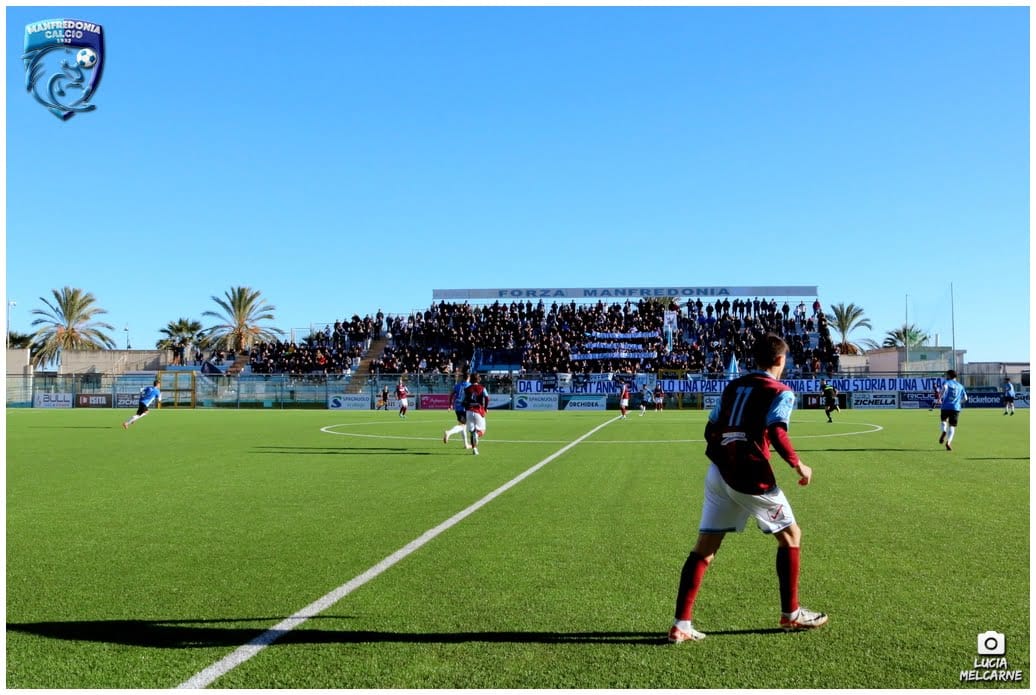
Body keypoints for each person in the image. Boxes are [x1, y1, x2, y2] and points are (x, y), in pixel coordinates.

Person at [669, 333, 827, 643]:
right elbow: (777, 430)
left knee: (705, 548)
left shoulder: (731, 386)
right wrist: (799, 465)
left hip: (719, 472)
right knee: (791, 535)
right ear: (781, 360)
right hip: (750, 475)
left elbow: (710, 428)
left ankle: (681, 624)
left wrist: (725, 453)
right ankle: (791, 615)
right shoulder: (781, 391)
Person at [938, 369, 968, 451]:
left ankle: (944, 431)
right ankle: (948, 442)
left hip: (945, 406)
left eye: (947, 375)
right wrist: (958, 402)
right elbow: (965, 398)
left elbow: (944, 388)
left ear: (949, 375)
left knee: (944, 420)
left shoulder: (947, 382)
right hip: (955, 408)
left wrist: (939, 398)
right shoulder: (960, 386)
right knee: (952, 426)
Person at [443, 372, 473, 448]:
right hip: (464, 408)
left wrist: (450, 405)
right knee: (462, 426)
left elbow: (451, 394)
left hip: (457, 407)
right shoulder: (470, 386)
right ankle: (449, 432)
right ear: (468, 378)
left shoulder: (458, 385)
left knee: (463, 425)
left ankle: (466, 444)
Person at [463, 373, 489, 456]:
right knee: (482, 431)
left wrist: (467, 407)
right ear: (478, 379)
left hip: (469, 412)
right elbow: (487, 398)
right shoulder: (482, 388)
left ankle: (474, 449)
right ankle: (477, 435)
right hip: (478, 411)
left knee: (471, 432)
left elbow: (464, 401)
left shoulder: (467, 389)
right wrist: (485, 408)